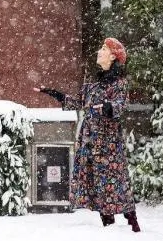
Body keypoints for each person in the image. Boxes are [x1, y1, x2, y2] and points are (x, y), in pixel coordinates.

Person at [34, 38, 140, 232]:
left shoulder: (119, 83)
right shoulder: (92, 85)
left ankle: (134, 227)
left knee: (115, 183)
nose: (99, 51)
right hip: (90, 141)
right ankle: (108, 229)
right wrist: (53, 93)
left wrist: (108, 107)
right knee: (97, 185)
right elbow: (77, 103)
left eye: (103, 49)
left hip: (108, 143)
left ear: (113, 56)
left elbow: (120, 105)